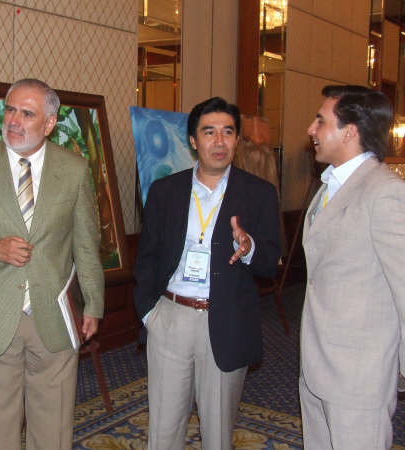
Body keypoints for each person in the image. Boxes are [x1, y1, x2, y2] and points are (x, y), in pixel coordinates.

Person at [0, 78, 104, 450]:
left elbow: (86, 242)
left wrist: (94, 304)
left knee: (54, 424)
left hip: (54, 312)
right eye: (11, 110)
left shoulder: (74, 169)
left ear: (49, 123)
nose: (14, 121)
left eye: (27, 114)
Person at [134, 97, 281, 449]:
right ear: (193, 141)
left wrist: (249, 248)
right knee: (163, 429)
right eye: (209, 132)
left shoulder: (259, 193)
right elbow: (147, 257)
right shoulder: (165, 191)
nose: (219, 141)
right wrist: (150, 314)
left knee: (217, 432)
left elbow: (270, 262)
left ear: (237, 139)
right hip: (171, 317)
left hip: (226, 319)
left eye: (228, 132)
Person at [300, 85, 405, 449]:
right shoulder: (329, 185)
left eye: (320, 121)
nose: (311, 130)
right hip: (317, 365)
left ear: (350, 131)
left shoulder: (385, 192)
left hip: (359, 377)